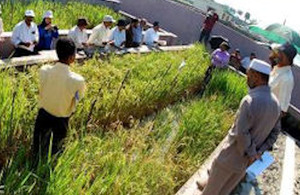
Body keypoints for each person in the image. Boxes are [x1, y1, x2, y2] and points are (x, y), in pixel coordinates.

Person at [198, 59, 280, 195]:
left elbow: (242, 133)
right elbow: (274, 134)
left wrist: (252, 152)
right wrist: (258, 153)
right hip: (244, 164)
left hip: (230, 158)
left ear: (257, 76)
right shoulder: (276, 104)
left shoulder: (249, 101)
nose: (247, 79)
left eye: (249, 75)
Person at [33, 38, 85, 158]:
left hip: (43, 114)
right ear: (72, 58)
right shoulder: (77, 80)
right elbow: (79, 98)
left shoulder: (44, 70)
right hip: (61, 119)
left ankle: (34, 167)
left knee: (37, 149)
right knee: (56, 152)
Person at [269, 42, 296, 117]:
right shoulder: (276, 69)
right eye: (278, 52)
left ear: (288, 59)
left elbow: (282, 110)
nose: (277, 55)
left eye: (281, 53)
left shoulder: (287, 79)